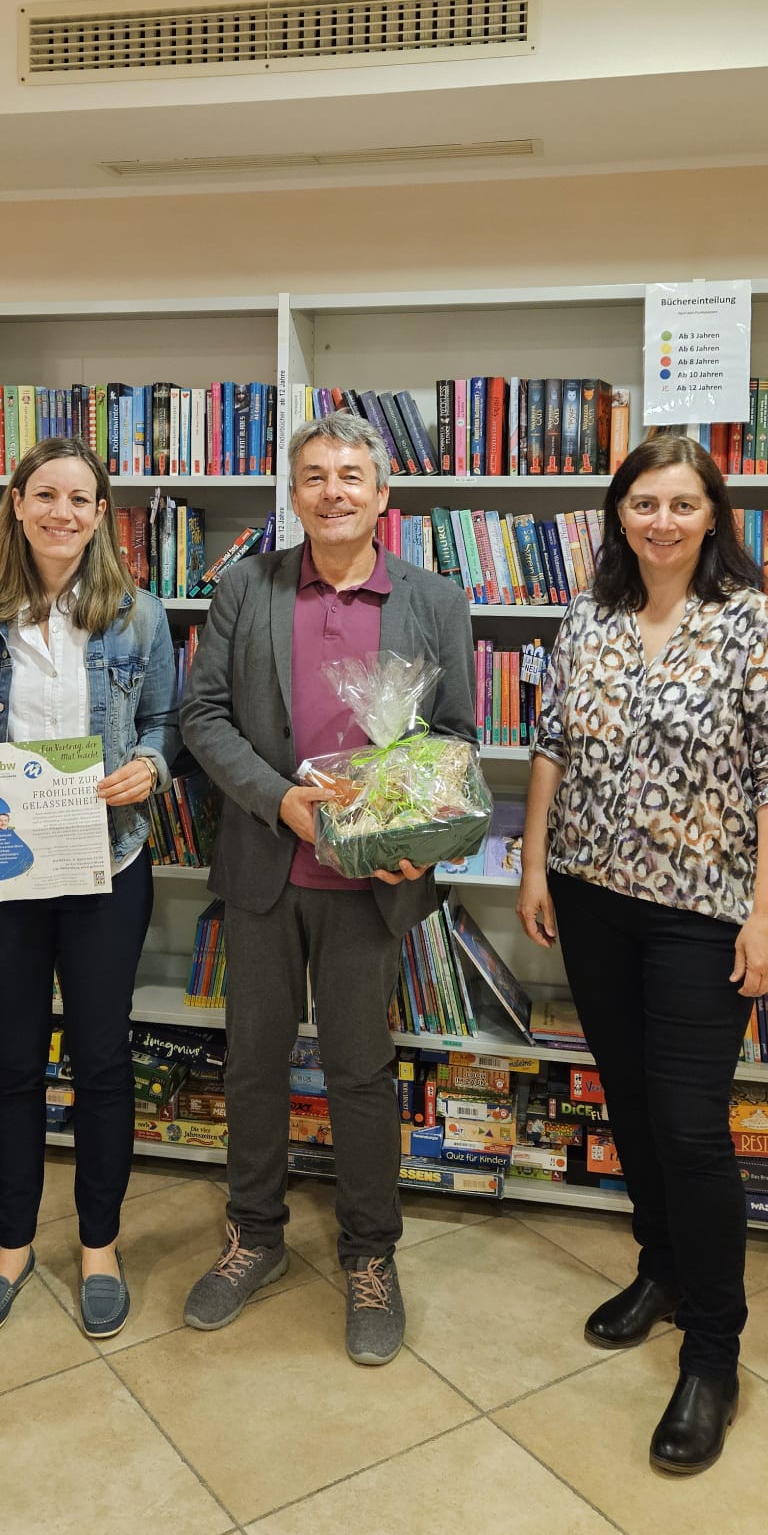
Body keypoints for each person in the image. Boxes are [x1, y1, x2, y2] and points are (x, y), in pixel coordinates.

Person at [516, 433, 768, 1476]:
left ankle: (713, 1352)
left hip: (702, 911)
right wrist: (535, 864)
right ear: (620, 512)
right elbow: (551, 743)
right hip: (592, 897)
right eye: (645, 502)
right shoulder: (588, 615)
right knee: (632, 1103)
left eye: (683, 503)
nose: (662, 521)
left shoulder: (753, 623)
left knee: (690, 1127)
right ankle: (661, 1269)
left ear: (712, 515)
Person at [181, 411, 475, 1365]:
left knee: (359, 1071)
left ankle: (370, 1255)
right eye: (314, 476)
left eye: (352, 475)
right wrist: (283, 804)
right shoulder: (246, 587)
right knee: (253, 1063)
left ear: (382, 494)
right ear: (294, 494)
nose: (334, 491)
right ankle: (254, 1237)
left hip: (372, 884)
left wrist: (414, 834)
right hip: (268, 868)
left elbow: (455, 738)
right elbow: (203, 716)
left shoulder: (434, 598)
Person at [0, 436, 180, 1343]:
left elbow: (164, 722)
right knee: (13, 1059)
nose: (62, 513)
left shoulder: (139, 617)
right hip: (2, 866)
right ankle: (12, 1245)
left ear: (101, 514)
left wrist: (150, 764)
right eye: (45, 496)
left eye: (80, 499)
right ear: (16, 503)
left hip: (107, 862)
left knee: (104, 1057)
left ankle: (100, 1246)